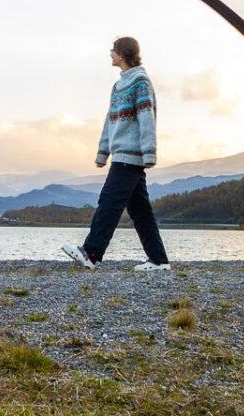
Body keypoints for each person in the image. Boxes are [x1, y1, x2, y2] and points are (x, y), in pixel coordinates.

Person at [61, 37, 170, 271]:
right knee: (141, 211)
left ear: (122, 54)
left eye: (113, 50)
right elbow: (110, 122)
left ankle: (91, 254)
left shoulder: (140, 82)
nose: (110, 54)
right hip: (121, 154)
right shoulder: (118, 86)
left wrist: (149, 153)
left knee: (109, 202)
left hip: (132, 156)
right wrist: (103, 152)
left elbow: (146, 119)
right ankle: (159, 261)